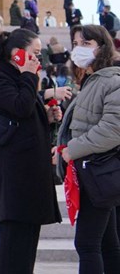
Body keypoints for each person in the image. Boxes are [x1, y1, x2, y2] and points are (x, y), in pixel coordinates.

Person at [0, 28, 62, 273]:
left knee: (27, 242)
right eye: (34, 53)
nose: (38, 59)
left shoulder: (20, 78)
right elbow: (19, 107)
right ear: (17, 54)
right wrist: (30, 76)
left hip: (28, 173)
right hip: (13, 175)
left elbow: (24, 115)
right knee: (13, 242)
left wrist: (47, 117)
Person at [60, 24, 120, 273]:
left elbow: (112, 129)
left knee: (87, 243)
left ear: (102, 47)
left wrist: (72, 149)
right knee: (108, 243)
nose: (79, 49)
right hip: (90, 170)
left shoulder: (112, 81)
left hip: (99, 170)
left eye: (86, 44)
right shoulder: (91, 81)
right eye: (75, 44)